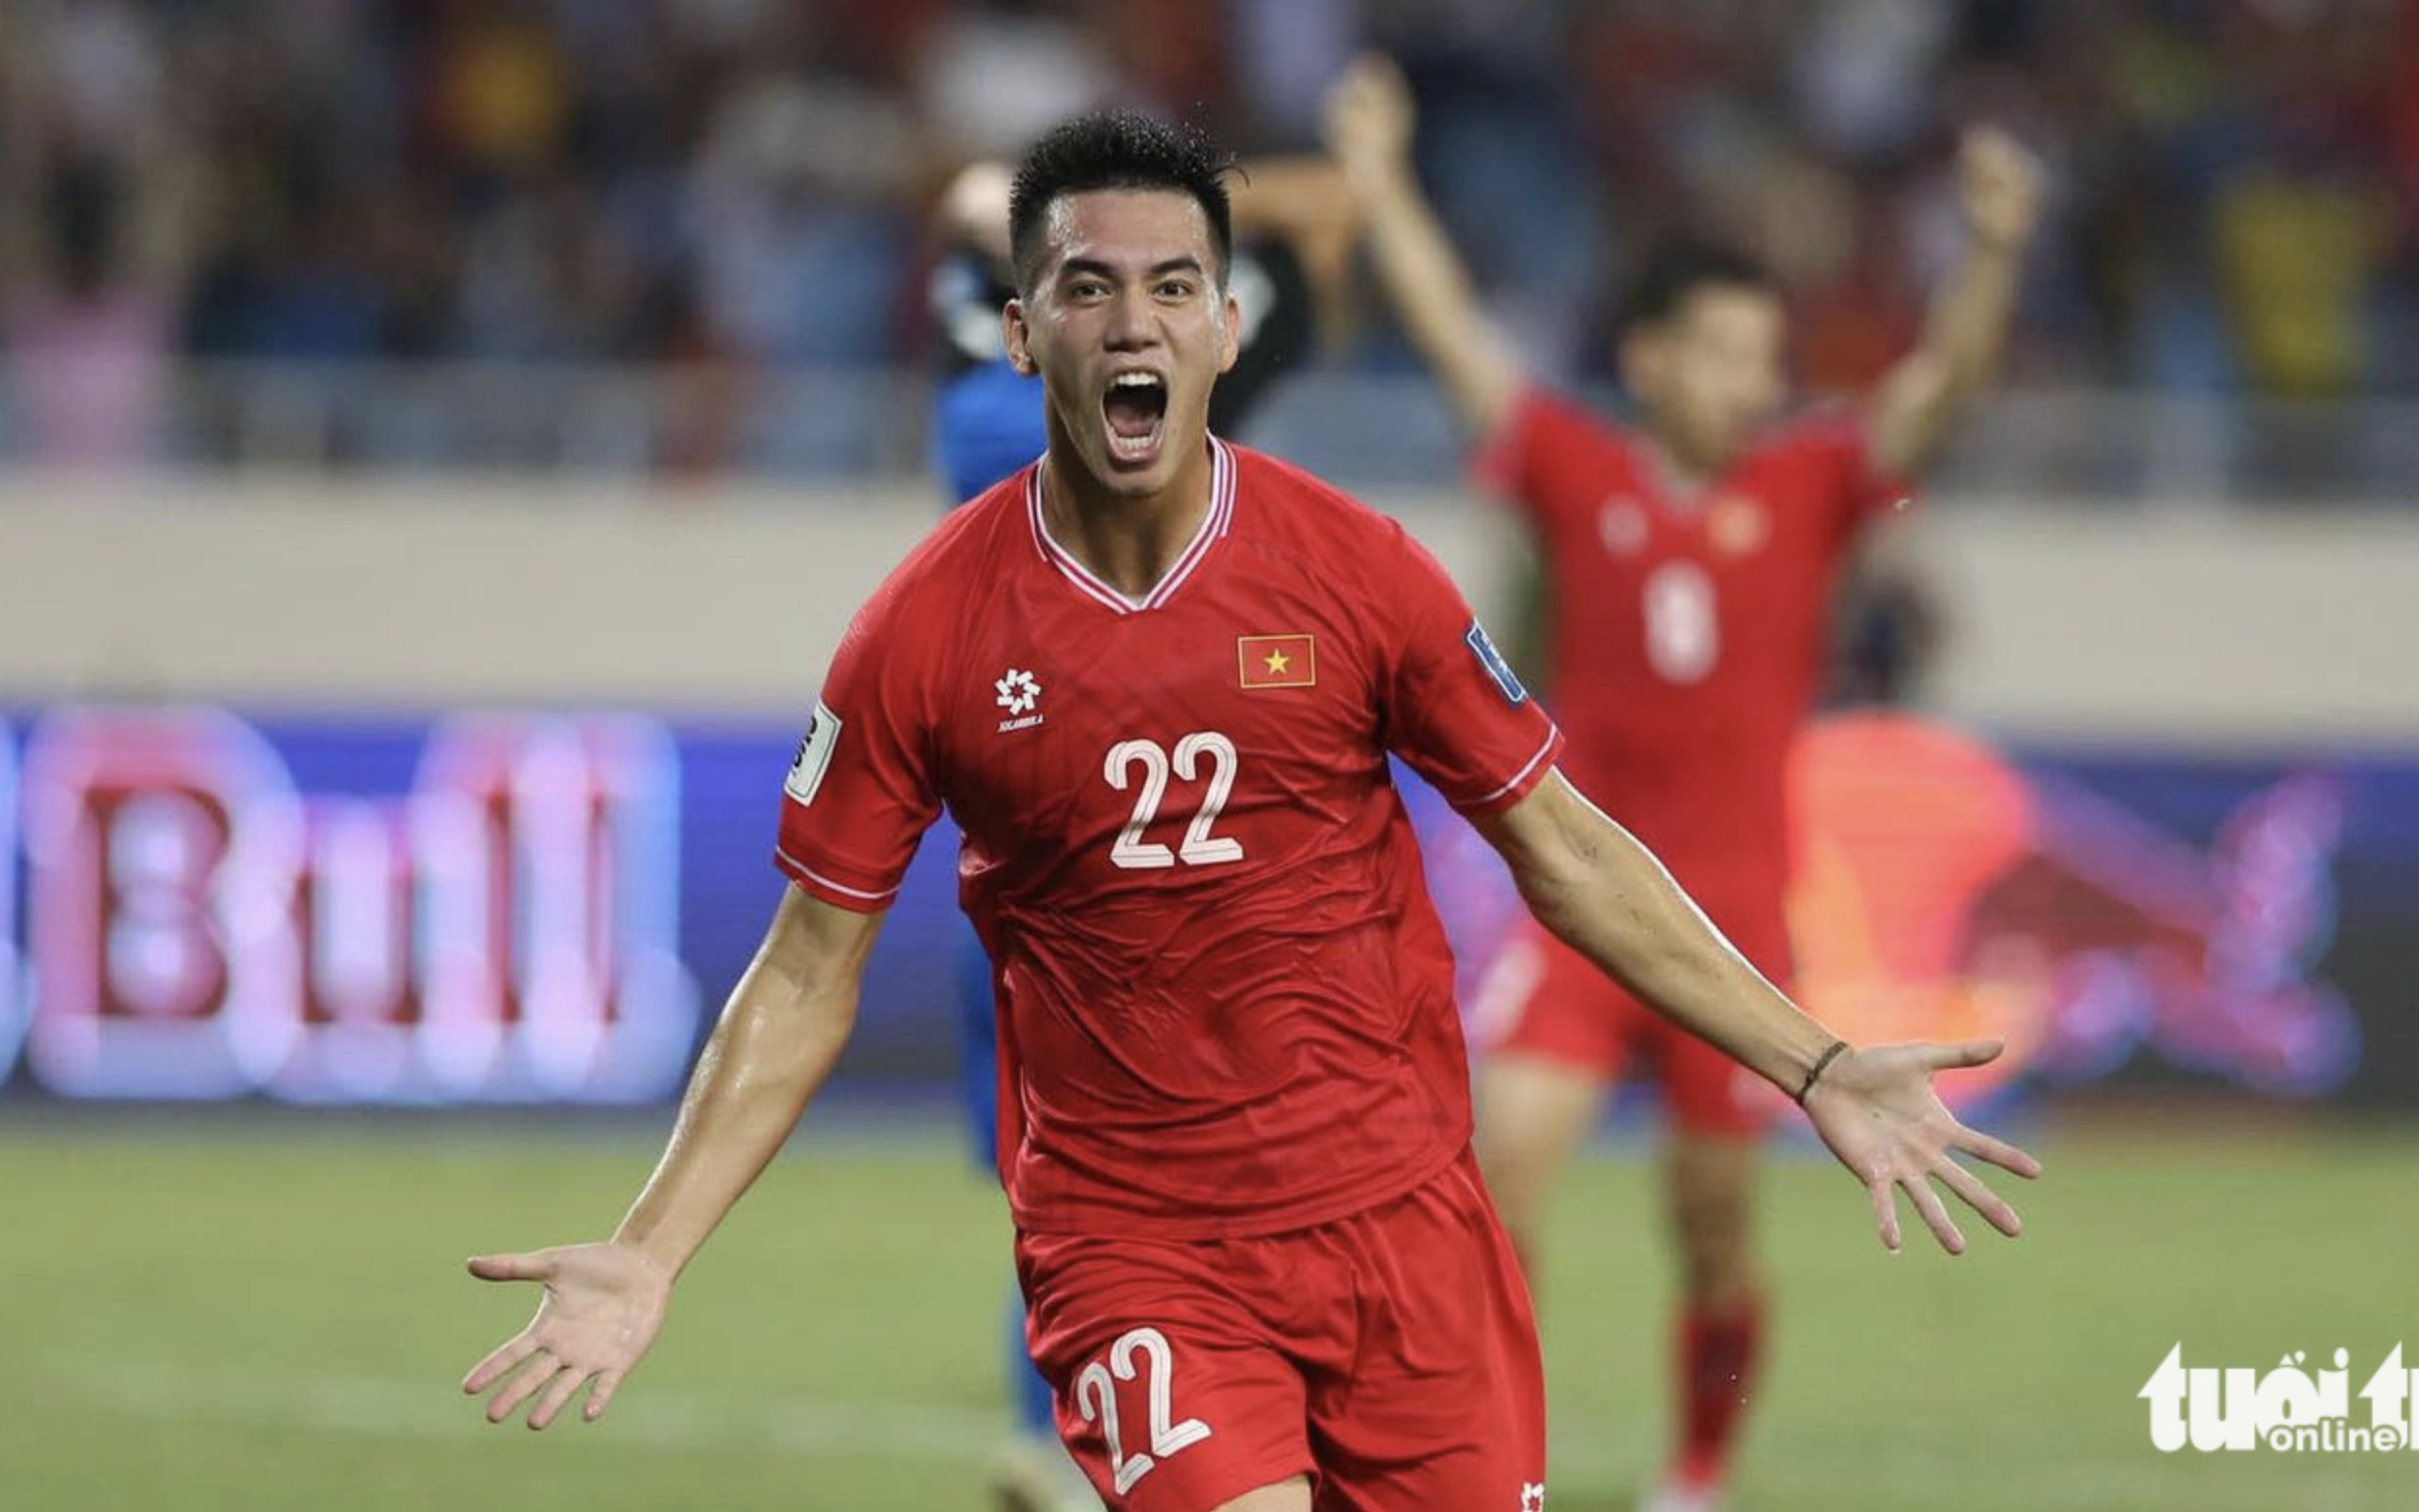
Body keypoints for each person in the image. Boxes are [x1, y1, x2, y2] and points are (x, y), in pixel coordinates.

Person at [461, 110, 2039, 1512]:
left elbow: (1557, 844)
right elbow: (807, 966)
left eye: (1169, 289)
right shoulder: (923, 633)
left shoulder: (1357, 573)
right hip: (1136, 1245)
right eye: (1086, 287)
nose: (1129, 321)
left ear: (1226, 327)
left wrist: (1816, 1060)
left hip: (1405, 1225)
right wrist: (650, 1246)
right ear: (1021, 334)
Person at [1321, 56, 2046, 1512]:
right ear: (1648, 358)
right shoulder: (1574, 465)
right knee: (1489, 1182)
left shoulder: (1810, 484)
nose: (1753, 379)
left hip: (1736, 927)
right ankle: (1486, 1459)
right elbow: (1458, 336)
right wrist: (1383, 179)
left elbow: (1940, 391)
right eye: (1722, 349)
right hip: (1582, 917)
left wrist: (1993, 251)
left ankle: (1696, 1474)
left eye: (1764, 354)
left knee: (1712, 1228)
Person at [926, 150, 1354, 1512]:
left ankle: (1054, 1425)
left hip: (1022, 845)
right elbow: (1324, 239)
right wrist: (1220, 196)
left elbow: (967, 199)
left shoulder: (972, 405)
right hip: (1150, 873)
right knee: (1138, 1160)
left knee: (1056, 1160)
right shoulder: (1147, 423)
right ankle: (1106, 1424)